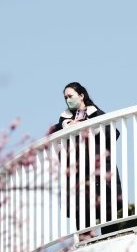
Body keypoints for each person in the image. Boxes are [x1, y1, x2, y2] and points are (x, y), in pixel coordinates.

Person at [50, 82, 122, 233]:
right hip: (77, 175)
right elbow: (53, 140)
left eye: (70, 96)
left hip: (100, 171)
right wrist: (67, 126)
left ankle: (110, 238)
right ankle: (85, 244)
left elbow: (113, 134)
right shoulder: (63, 121)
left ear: (81, 96)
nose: (68, 100)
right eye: (65, 97)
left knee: (107, 212)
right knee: (82, 215)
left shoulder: (97, 114)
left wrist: (92, 128)